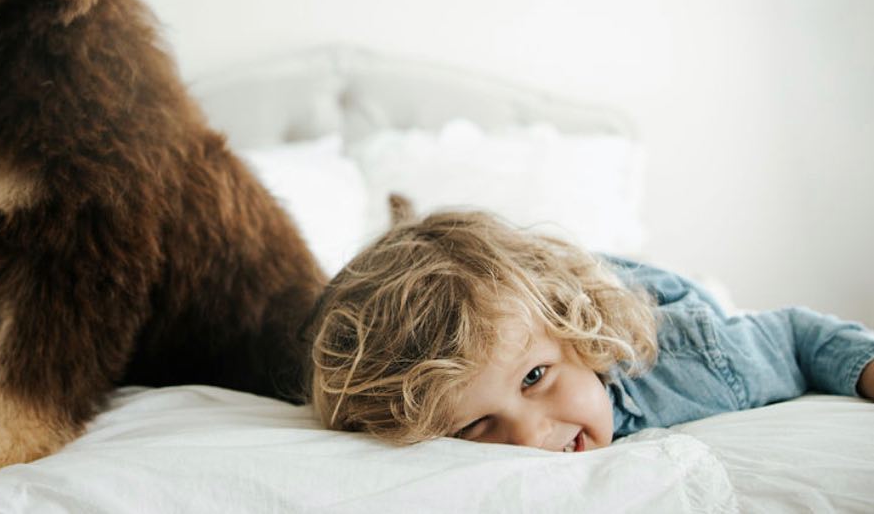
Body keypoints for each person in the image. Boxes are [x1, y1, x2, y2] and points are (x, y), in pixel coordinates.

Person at [309, 204, 874, 452]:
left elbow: (797, 335)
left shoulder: (699, 365)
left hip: (639, 298)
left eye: (535, 377)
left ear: (582, 338)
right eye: (477, 425)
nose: (530, 438)